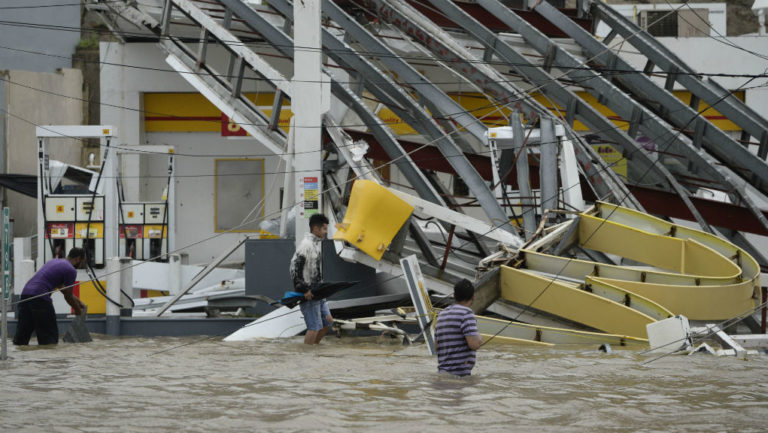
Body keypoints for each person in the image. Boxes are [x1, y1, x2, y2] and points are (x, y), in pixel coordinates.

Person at [13, 247, 87, 345]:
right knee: (49, 340)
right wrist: (78, 311)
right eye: (82, 262)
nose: (81, 265)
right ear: (77, 259)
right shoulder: (71, 270)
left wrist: (78, 301)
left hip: (25, 296)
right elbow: (68, 297)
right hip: (40, 299)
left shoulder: (53, 262)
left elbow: (63, 289)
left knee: (21, 338)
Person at [290, 213, 334, 344]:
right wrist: (304, 290)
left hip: (318, 292)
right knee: (314, 328)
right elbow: (294, 269)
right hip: (308, 293)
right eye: (324, 229)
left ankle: (313, 349)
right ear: (316, 229)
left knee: (328, 322)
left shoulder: (316, 244)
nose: (326, 232)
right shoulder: (306, 245)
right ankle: (306, 355)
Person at [435, 279, 482, 376]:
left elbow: (436, 346)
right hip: (459, 376)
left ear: (454, 295)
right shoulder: (467, 314)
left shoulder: (441, 315)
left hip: (442, 373)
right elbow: (474, 345)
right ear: (473, 296)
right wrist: (480, 338)